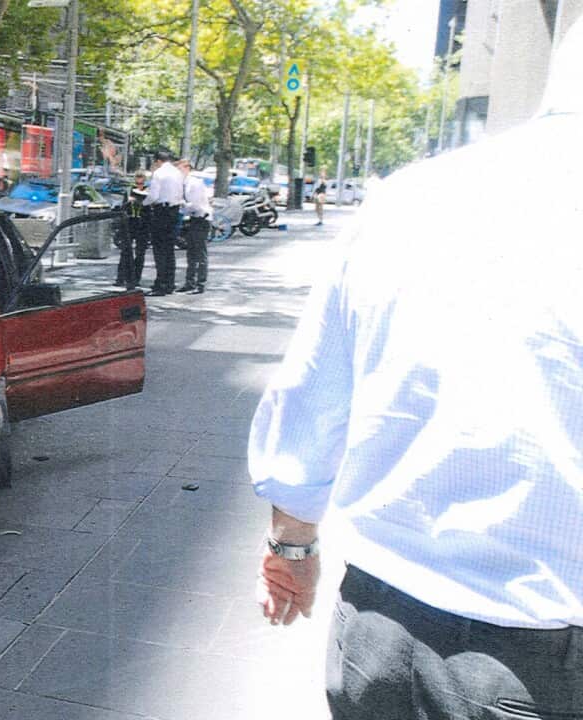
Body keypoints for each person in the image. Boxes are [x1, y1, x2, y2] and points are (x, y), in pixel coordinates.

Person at [250, 18, 583, 720]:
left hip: (378, 630)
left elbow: (312, 400)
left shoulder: (411, 195)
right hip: (542, 655)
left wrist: (292, 549)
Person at [142, 150, 182, 296]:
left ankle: (160, 284)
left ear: (158, 161)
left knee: (159, 249)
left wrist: (143, 203)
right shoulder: (177, 173)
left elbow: (153, 196)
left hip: (162, 212)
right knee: (169, 249)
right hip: (174, 211)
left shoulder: (159, 173)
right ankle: (170, 282)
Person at [175, 159, 209, 294]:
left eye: (180, 169)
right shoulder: (183, 183)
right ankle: (190, 282)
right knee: (191, 253)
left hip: (201, 218)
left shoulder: (194, 183)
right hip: (193, 219)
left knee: (200, 253)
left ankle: (200, 283)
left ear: (187, 168)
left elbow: (194, 204)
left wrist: (181, 205)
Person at [117, 170, 148, 289]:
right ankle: (121, 277)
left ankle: (136, 278)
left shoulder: (148, 190)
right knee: (125, 251)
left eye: (141, 178)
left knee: (140, 252)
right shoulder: (129, 189)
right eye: (137, 178)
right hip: (130, 222)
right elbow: (123, 205)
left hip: (143, 223)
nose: (139, 180)